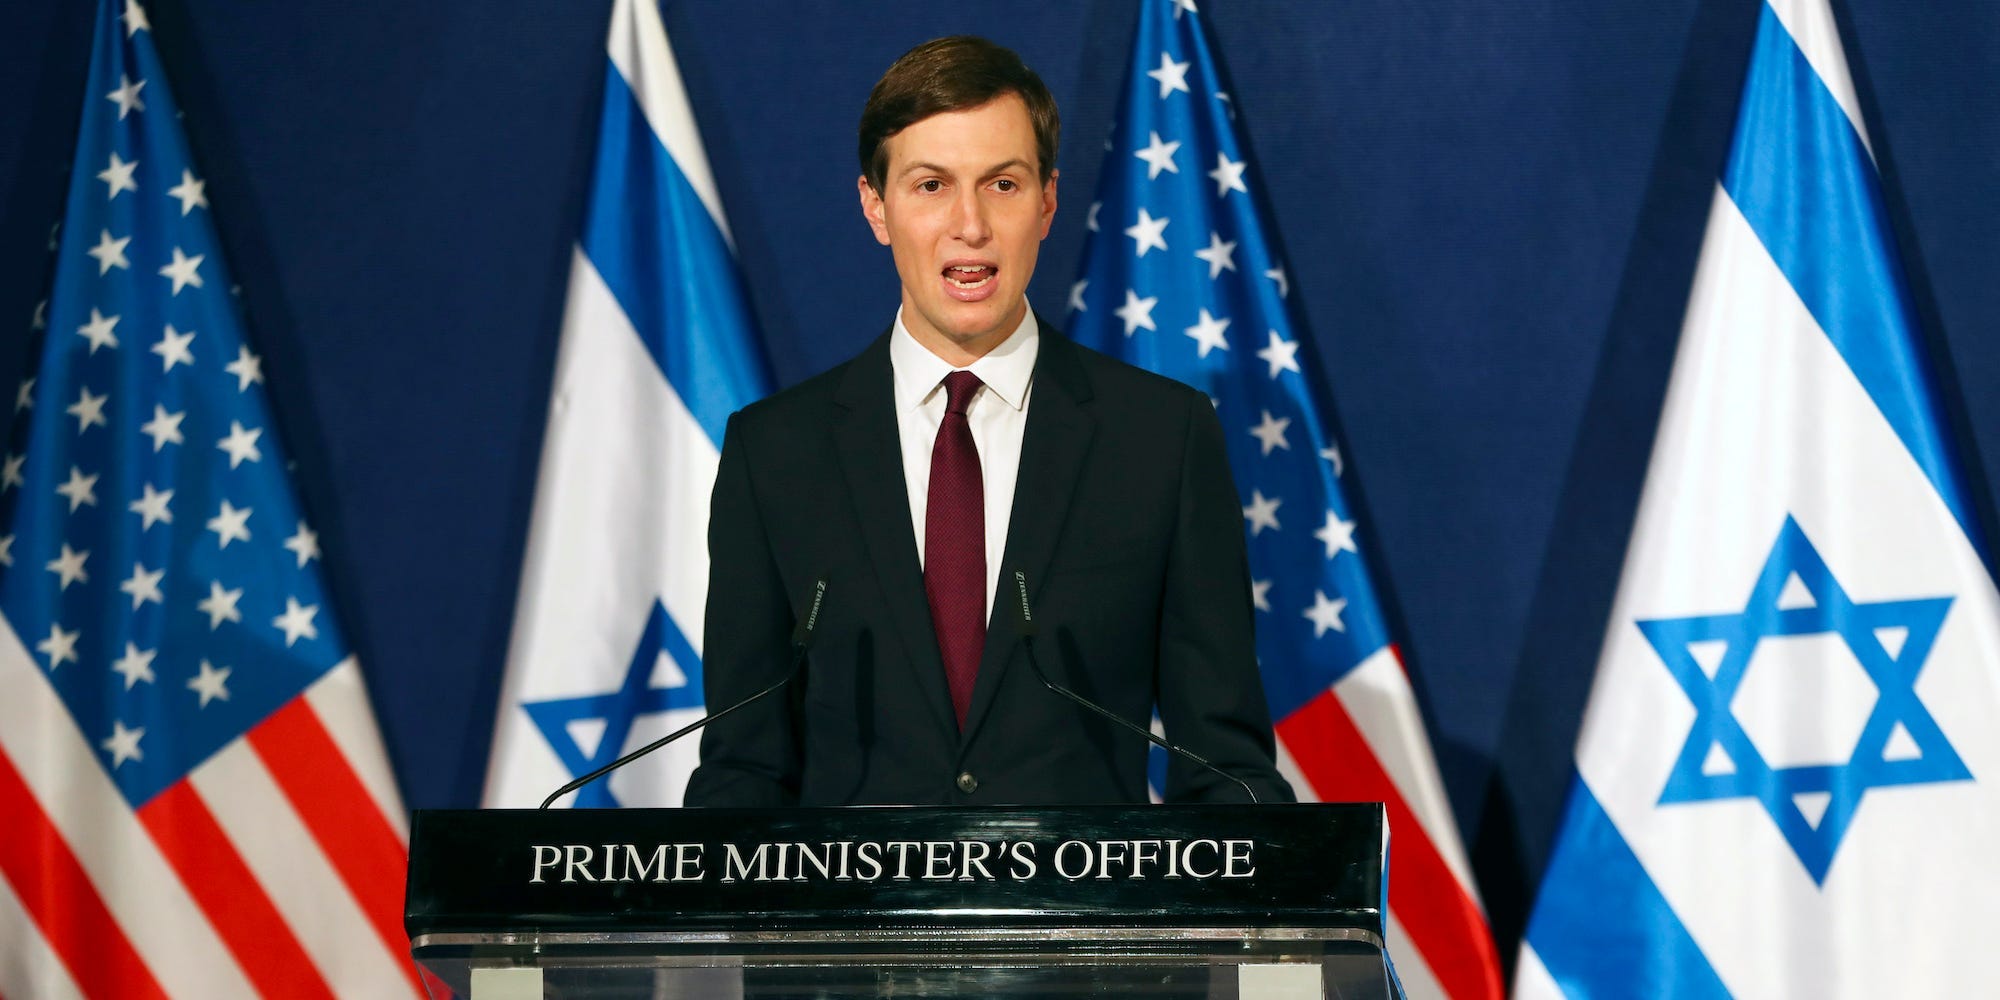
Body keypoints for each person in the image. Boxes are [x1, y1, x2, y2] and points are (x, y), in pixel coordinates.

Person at [683, 36, 1291, 807]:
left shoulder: (1160, 439)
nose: (969, 225)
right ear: (876, 206)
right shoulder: (774, 452)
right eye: (931, 185)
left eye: (1001, 183)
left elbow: (1225, 766)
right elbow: (743, 766)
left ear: (1047, 201)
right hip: (852, 926)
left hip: (1088, 924)